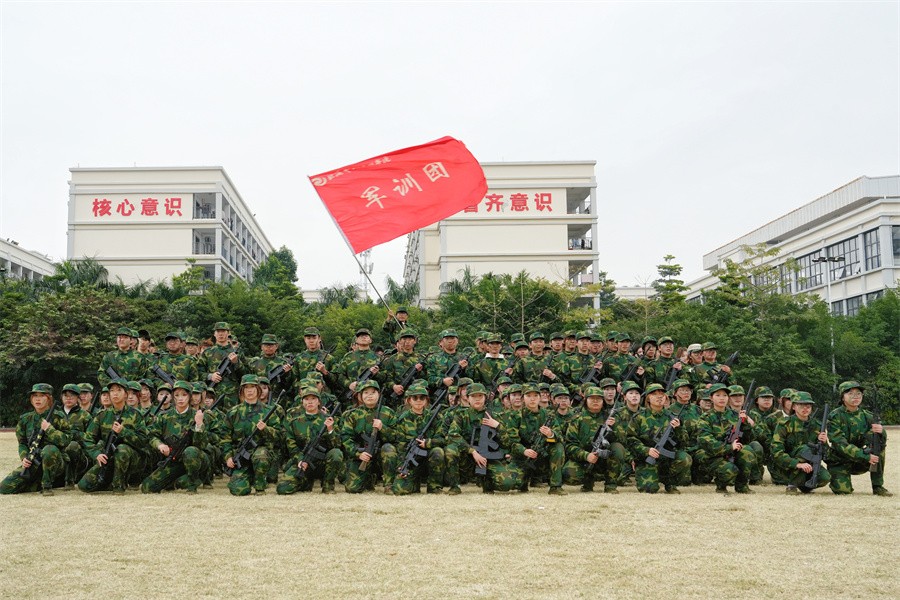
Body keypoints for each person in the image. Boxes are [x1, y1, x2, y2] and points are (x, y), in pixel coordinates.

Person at [446, 383, 522, 494]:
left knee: (506, 484)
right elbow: (453, 435)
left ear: (485, 398)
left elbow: (507, 443)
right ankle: (454, 486)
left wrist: (498, 426)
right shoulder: (461, 415)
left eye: (480, 396)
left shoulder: (495, 416)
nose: (477, 399)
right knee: (450, 450)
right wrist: (472, 451)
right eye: (473, 396)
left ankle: (487, 482)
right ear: (467, 398)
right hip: (467, 458)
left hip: (488, 458)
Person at [79, 378, 148, 494]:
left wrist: (123, 431)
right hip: (109, 456)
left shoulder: (136, 415)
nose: (115, 393)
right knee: (84, 486)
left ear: (125, 394)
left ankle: (119, 486)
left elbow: (143, 441)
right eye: (112, 391)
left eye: (119, 390)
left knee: (122, 449)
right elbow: (88, 438)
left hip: (133, 459)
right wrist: (96, 454)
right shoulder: (102, 415)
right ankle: (109, 482)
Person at [0, 384, 71, 495]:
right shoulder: (25, 419)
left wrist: (49, 429)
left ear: (49, 398)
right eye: (35, 396)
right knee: (4, 488)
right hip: (34, 461)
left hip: (56, 463)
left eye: (42, 396)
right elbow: (22, 443)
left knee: (49, 449)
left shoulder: (58, 416)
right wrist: (24, 457)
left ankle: (47, 486)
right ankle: (39, 483)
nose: (38, 399)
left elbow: (66, 440)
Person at [141, 380, 209, 493]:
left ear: (190, 396)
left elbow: (201, 445)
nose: (180, 398)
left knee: (190, 451)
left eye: (184, 395)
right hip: (174, 460)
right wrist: (160, 445)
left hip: (195, 460)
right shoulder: (164, 417)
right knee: (147, 487)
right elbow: (152, 436)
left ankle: (192, 484)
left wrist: (199, 425)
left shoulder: (197, 416)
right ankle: (176, 481)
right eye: (177, 395)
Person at [827, 381, 891, 496]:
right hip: (840, 460)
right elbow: (839, 444)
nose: (855, 396)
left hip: (860, 461)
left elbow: (880, 440)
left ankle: (878, 486)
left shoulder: (868, 416)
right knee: (843, 491)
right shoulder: (835, 416)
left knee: (878, 448)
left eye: (858, 393)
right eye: (850, 393)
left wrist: (882, 432)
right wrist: (865, 456)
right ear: (842, 397)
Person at [222, 375, 281, 495]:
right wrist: (228, 457)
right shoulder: (233, 412)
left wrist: (266, 429)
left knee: (261, 454)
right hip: (242, 457)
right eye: (246, 387)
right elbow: (225, 437)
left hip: (261, 454)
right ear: (242, 390)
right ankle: (248, 478)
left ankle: (260, 487)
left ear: (258, 389)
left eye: (253, 387)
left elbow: (279, 436)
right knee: (238, 490)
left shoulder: (268, 411)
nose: (249, 390)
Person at [277, 388, 343, 495]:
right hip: (304, 462)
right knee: (282, 489)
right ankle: (306, 483)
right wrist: (300, 460)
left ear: (319, 402)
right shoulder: (295, 423)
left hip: (323, 463)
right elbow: (292, 448)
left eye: (313, 398)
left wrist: (330, 430)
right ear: (302, 402)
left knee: (336, 454)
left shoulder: (328, 420)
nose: (310, 402)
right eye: (306, 399)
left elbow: (337, 445)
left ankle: (328, 486)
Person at [627, 383, 691, 494]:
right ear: (648, 398)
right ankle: (653, 476)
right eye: (655, 394)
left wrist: (678, 429)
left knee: (685, 458)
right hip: (647, 459)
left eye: (662, 394)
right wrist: (647, 450)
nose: (659, 397)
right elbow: (630, 439)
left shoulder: (672, 417)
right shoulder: (639, 417)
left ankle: (669, 482)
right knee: (649, 489)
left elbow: (684, 441)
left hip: (667, 459)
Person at [697, 383, 757, 494]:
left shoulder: (735, 415)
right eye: (718, 395)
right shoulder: (705, 418)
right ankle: (721, 486)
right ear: (711, 398)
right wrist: (729, 447)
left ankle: (742, 486)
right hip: (711, 454)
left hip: (731, 451)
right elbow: (706, 441)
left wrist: (745, 424)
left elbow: (747, 439)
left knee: (747, 451)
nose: (722, 398)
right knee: (729, 470)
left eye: (724, 395)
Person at [340, 380, 397, 494]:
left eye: (373, 392)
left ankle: (389, 485)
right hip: (362, 454)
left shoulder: (388, 412)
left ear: (378, 394)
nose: (370, 395)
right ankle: (368, 479)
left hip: (381, 454)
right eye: (366, 392)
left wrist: (382, 428)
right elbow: (346, 438)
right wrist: (358, 453)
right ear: (360, 396)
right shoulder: (353, 414)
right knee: (352, 489)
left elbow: (396, 436)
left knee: (388, 449)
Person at [563, 386, 623, 493]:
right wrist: (586, 456)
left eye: (598, 399)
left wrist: (614, 427)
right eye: (592, 398)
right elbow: (570, 445)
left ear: (603, 401)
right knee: (569, 474)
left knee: (618, 448)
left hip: (604, 458)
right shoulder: (577, 419)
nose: (595, 401)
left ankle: (611, 485)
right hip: (583, 459)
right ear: (586, 400)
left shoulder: (610, 417)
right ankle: (588, 481)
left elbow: (622, 439)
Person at [391, 380, 446, 495]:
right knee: (399, 490)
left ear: (426, 400)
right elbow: (400, 445)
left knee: (438, 451)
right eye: (415, 398)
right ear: (409, 400)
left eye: (422, 398)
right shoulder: (403, 419)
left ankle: (434, 486)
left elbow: (442, 439)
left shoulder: (434, 417)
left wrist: (428, 443)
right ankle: (414, 483)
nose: (418, 401)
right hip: (412, 460)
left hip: (429, 458)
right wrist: (402, 466)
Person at [770, 391, 831, 494]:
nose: (805, 409)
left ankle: (805, 486)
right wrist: (797, 464)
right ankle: (792, 485)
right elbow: (776, 452)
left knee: (825, 477)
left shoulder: (817, 425)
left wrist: (824, 442)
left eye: (808, 406)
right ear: (794, 407)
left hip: (809, 466)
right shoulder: (785, 424)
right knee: (805, 449)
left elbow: (825, 454)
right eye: (801, 405)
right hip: (785, 466)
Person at [512, 384, 567, 495]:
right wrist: (524, 450)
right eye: (528, 396)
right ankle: (525, 480)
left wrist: (551, 434)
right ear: (523, 398)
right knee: (514, 483)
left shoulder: (548, 415)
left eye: (535, 396)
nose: (532, 399)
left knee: (558, 447)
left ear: (540, 398)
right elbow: (511, 441)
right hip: (524, 457)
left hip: (543, 455)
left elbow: (560, 437)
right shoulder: (516, 416)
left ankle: (555, 486)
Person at [199, 322, 244, 410]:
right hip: (213, 395)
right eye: (218, 331)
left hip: (233, 396)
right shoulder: (207, 352)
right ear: (214, 333)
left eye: (223, 331)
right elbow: (197, 373)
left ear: (228, 333)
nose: (221, 334)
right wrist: (210, 376)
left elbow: (245, 374)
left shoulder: (237, 352)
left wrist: (236, 363)